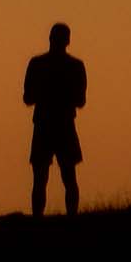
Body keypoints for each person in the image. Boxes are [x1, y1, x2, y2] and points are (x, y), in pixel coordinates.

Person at [23, 23, 86, 217]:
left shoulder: (38, 64)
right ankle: (63, 218)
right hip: (57, 125)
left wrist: (48, 94)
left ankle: (41, 219)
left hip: (50, 125)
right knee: (58, 177)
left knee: (49, 178)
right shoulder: (74, 66)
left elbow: (28, 98)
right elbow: (80, 101)